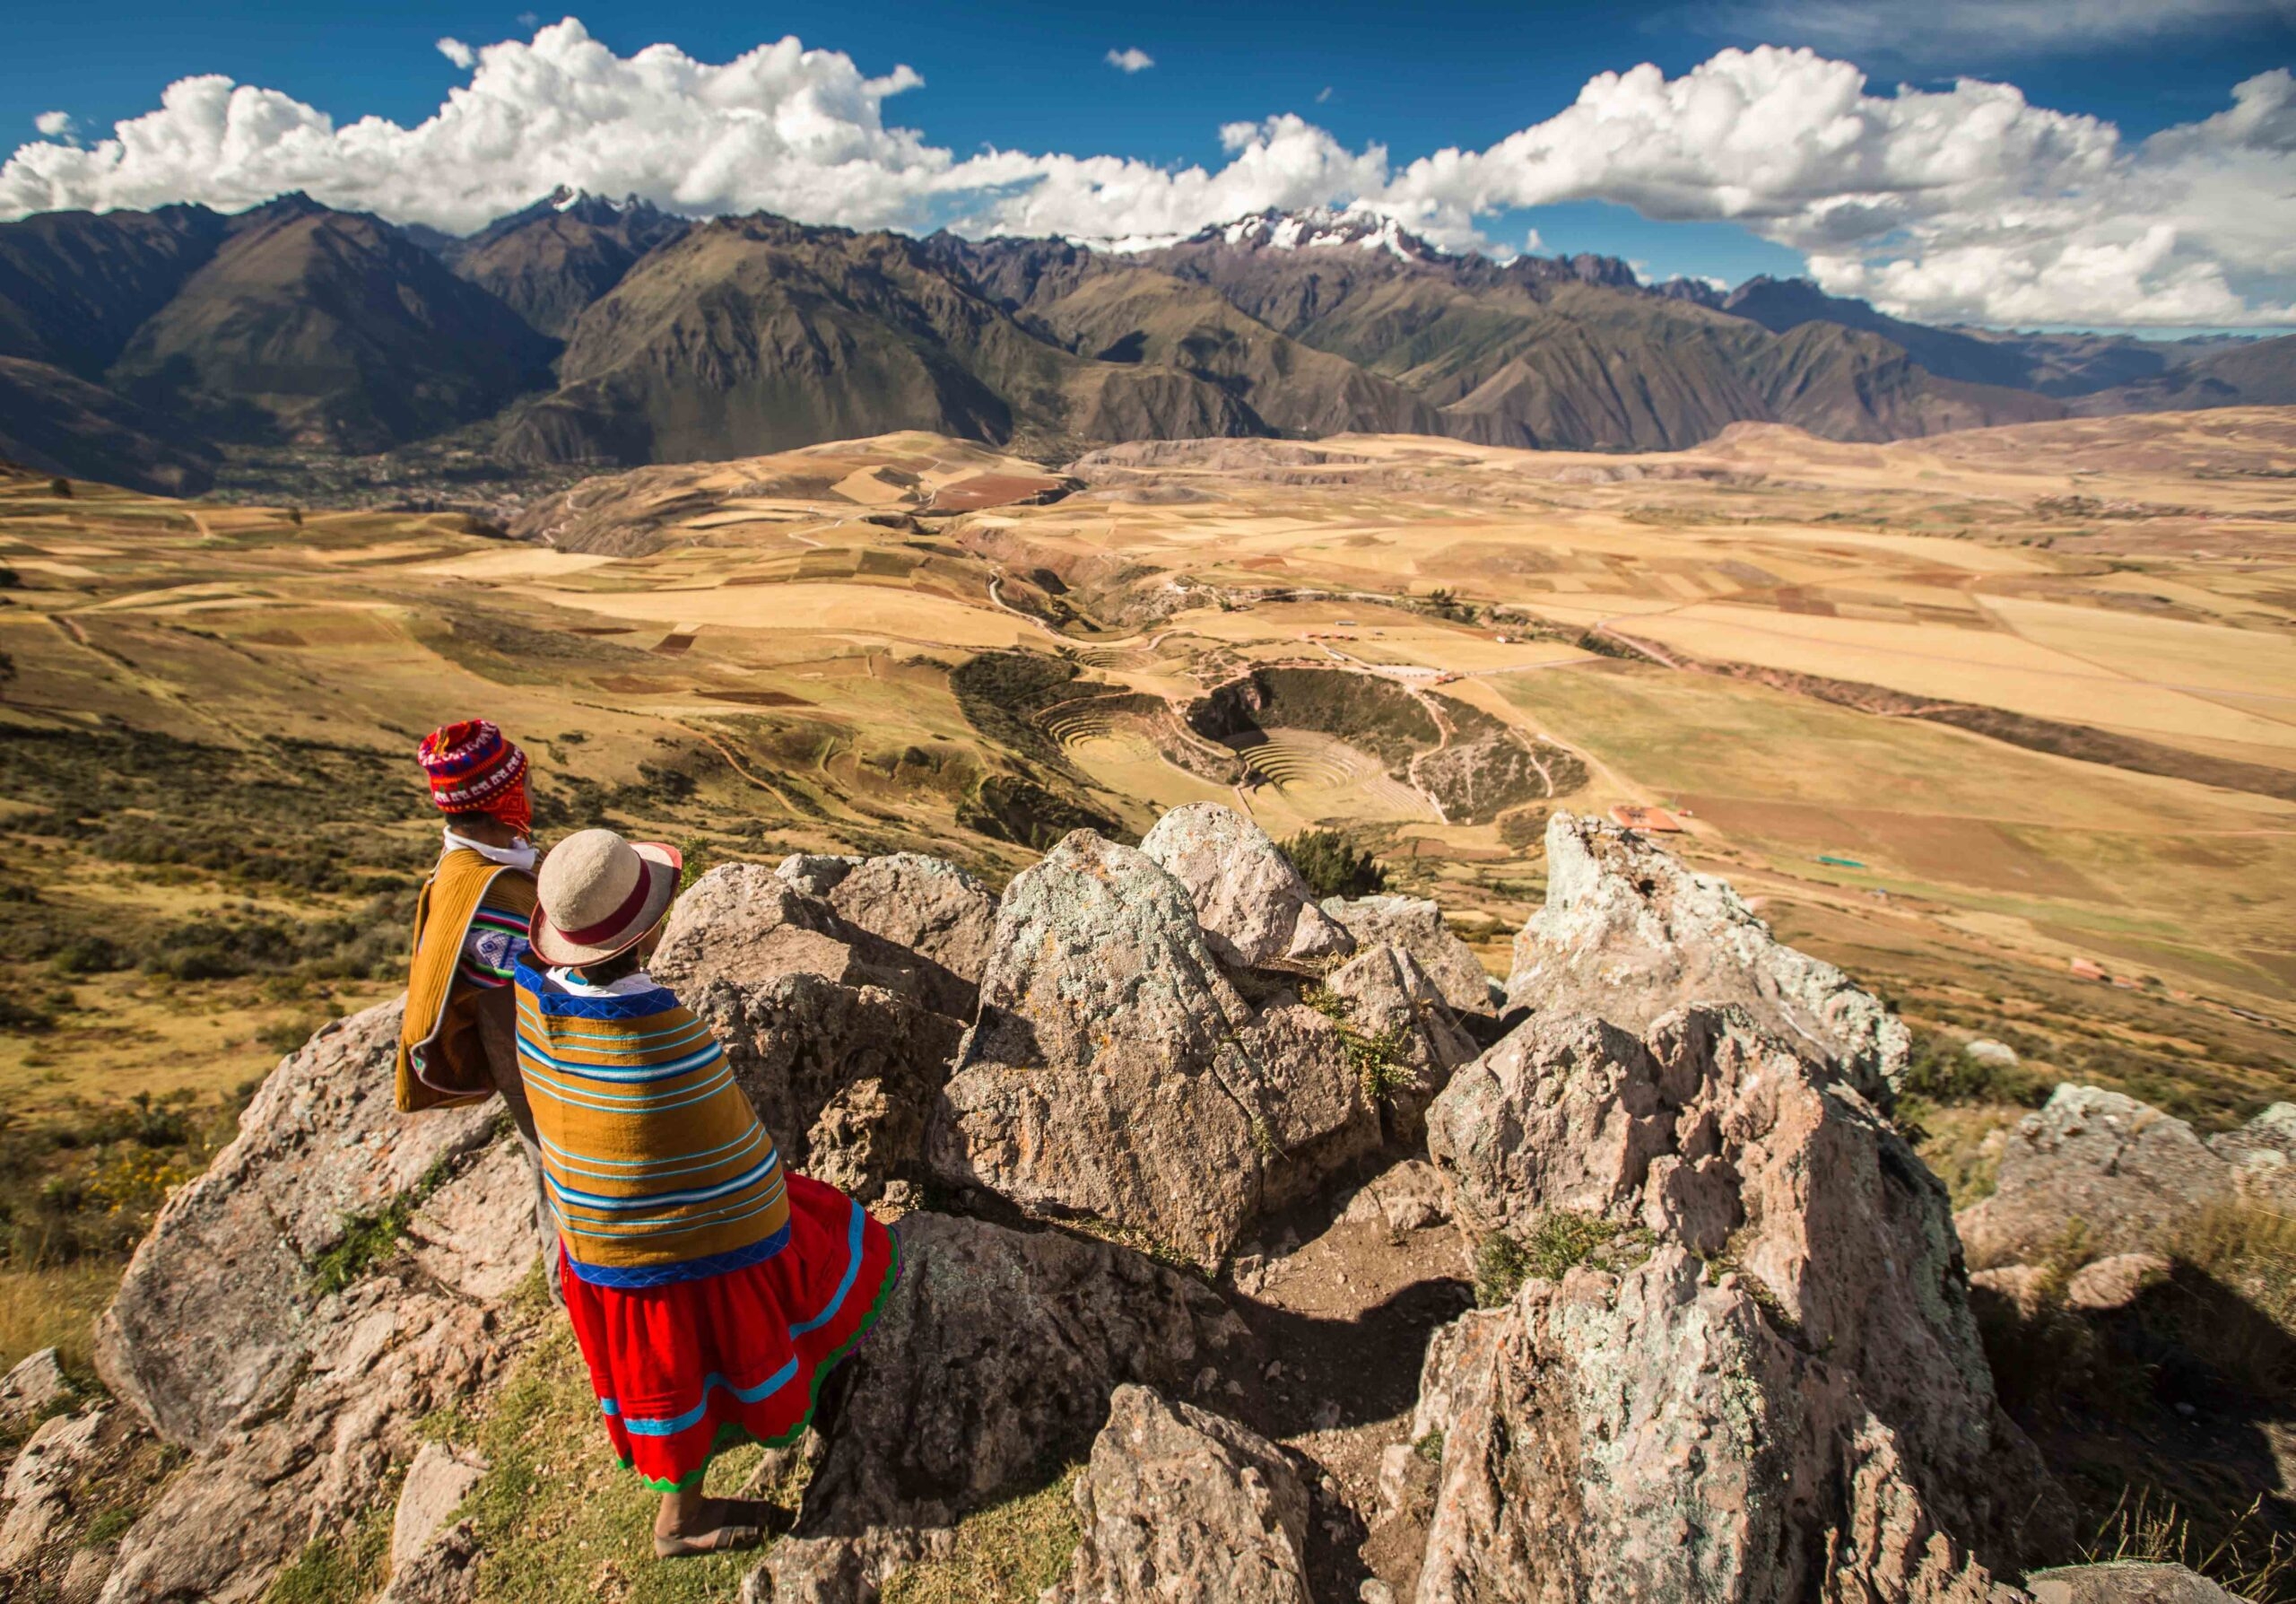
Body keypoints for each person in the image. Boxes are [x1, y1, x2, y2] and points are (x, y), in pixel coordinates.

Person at [514, 828, 898, 1557]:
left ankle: (681, 1511)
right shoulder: (657, 1031)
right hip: (679, 1250)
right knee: (822, 1235)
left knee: (665, 1381)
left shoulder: (533, 1001)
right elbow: (738, 1158)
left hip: (595, 1241)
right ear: (649, 927)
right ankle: (691, 1514)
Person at [394, 719, 559, 1300]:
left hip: (530, 1056)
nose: (534, 794)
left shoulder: (475, 869)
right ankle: (573, 1289)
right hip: (538, 1064)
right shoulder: (489, 894)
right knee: (559, 1177)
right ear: (503, 798)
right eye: (524, 784)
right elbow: (550, 970)